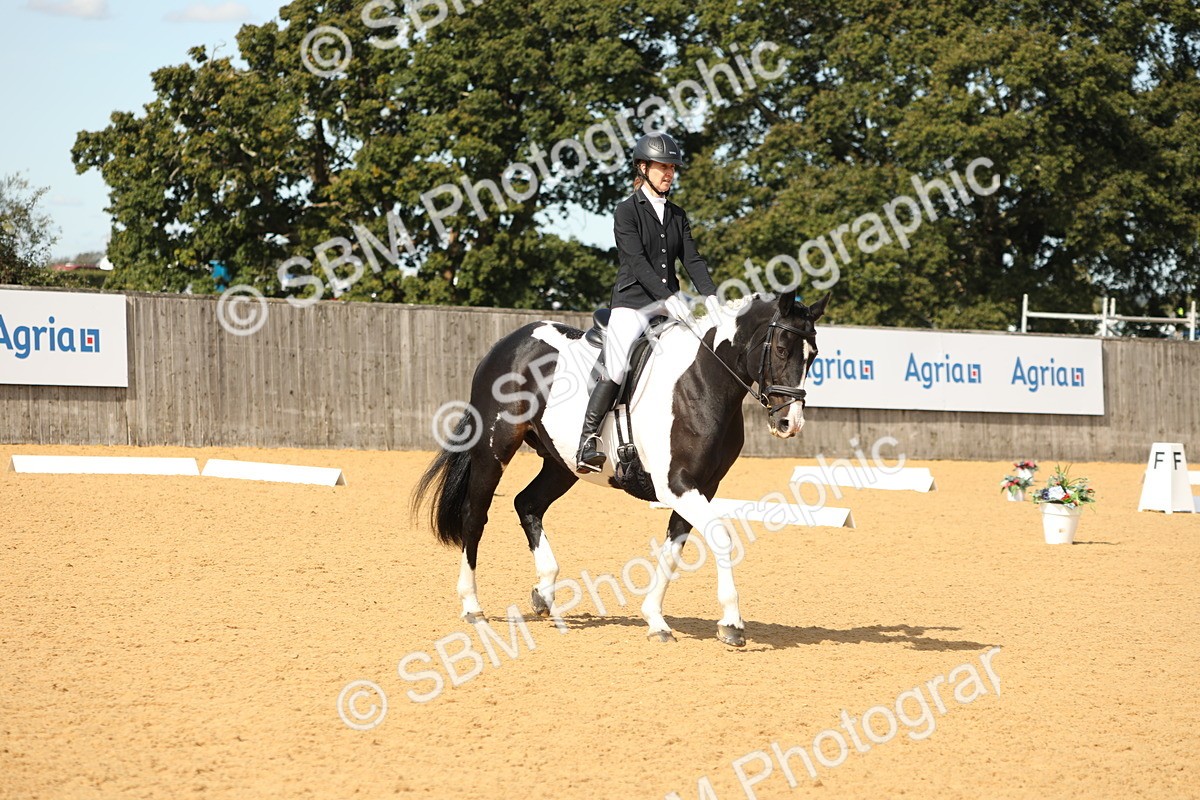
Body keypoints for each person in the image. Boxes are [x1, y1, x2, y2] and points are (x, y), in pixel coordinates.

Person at [575, 132, 724, 473]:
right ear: (643, 168)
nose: (669, 173)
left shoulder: (677, 215)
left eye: (672, 168)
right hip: (632, 304)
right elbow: (638, 262)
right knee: (617, 364)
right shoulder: (626, 211)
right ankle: (588, 440)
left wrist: (711, 296)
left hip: (669, 305)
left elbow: (692, 259)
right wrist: (668, 298)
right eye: (663, 167)